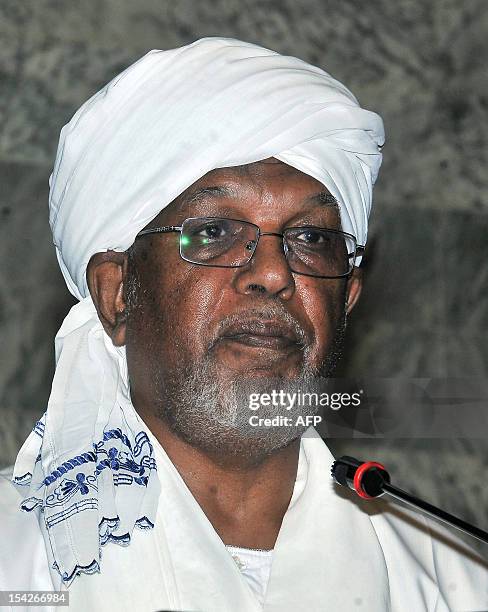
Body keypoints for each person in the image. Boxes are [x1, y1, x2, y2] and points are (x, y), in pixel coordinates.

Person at [0, 37, 487, 612]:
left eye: (311, 239)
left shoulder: (453, 583)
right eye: (213, 232)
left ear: (347, 298)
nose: (273, 274)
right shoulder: (16, 560)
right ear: (117, 294)